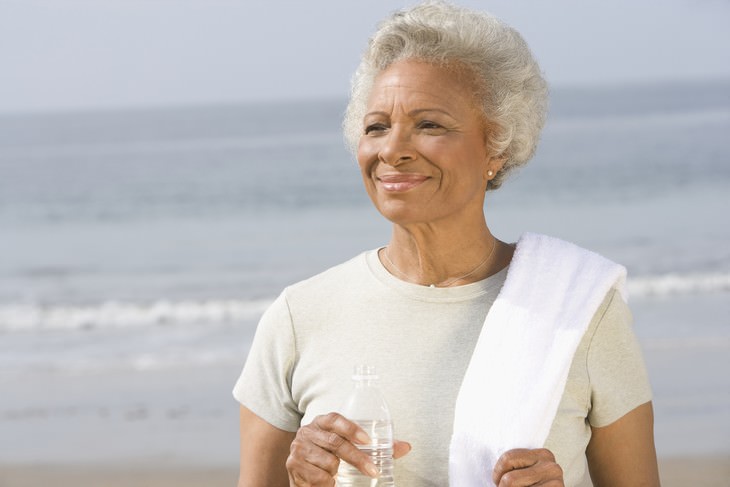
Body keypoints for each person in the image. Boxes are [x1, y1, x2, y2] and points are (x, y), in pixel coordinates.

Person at [233, 1, 660, 486]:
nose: (392, 149)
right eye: (376, 127)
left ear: (495, 146)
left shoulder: (578, 309)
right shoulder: (298, 317)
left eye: (429, 124)